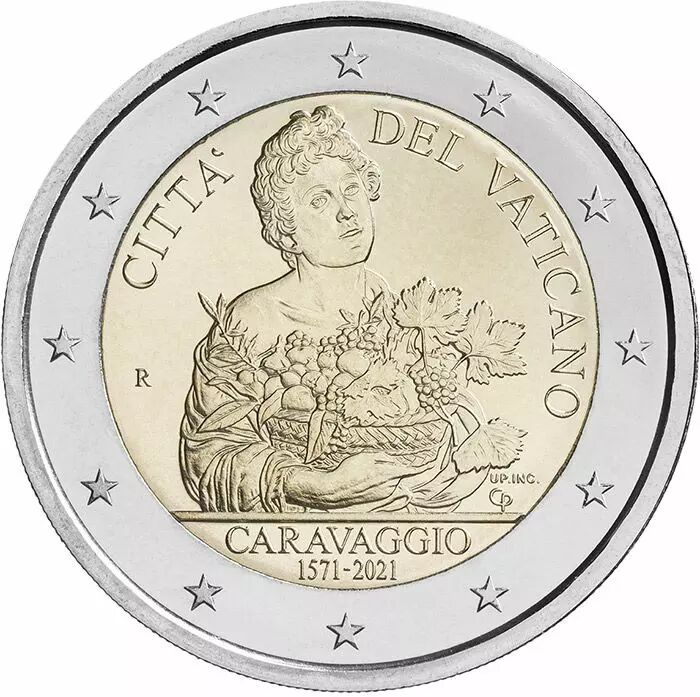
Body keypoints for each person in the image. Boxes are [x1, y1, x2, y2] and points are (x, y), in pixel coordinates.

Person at [179, 106, 475, 513]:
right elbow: (208, 457)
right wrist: (314, 486)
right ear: (287, 231)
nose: (346, 211)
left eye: (351, 188)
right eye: (320, 200)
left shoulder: (388, 305)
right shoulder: (248, 322)